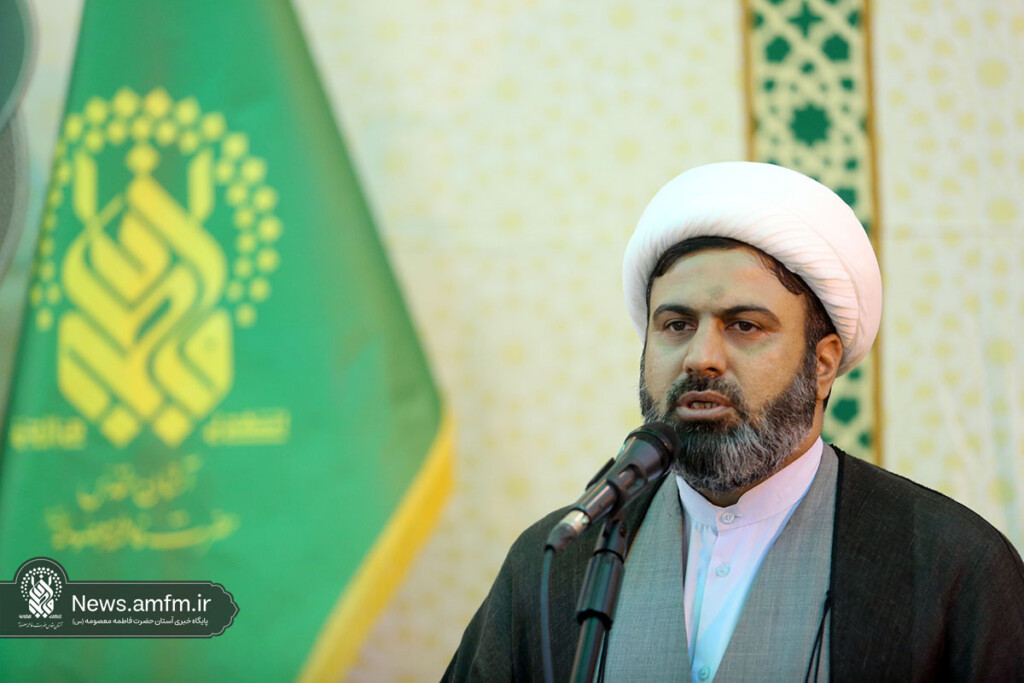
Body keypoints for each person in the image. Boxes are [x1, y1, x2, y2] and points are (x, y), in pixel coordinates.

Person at [442, 162, 1024, 682]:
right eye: (676, 325)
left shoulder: (949, 564)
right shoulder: (560, 561)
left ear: (822, 365)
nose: (701, 358)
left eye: (744, 325)